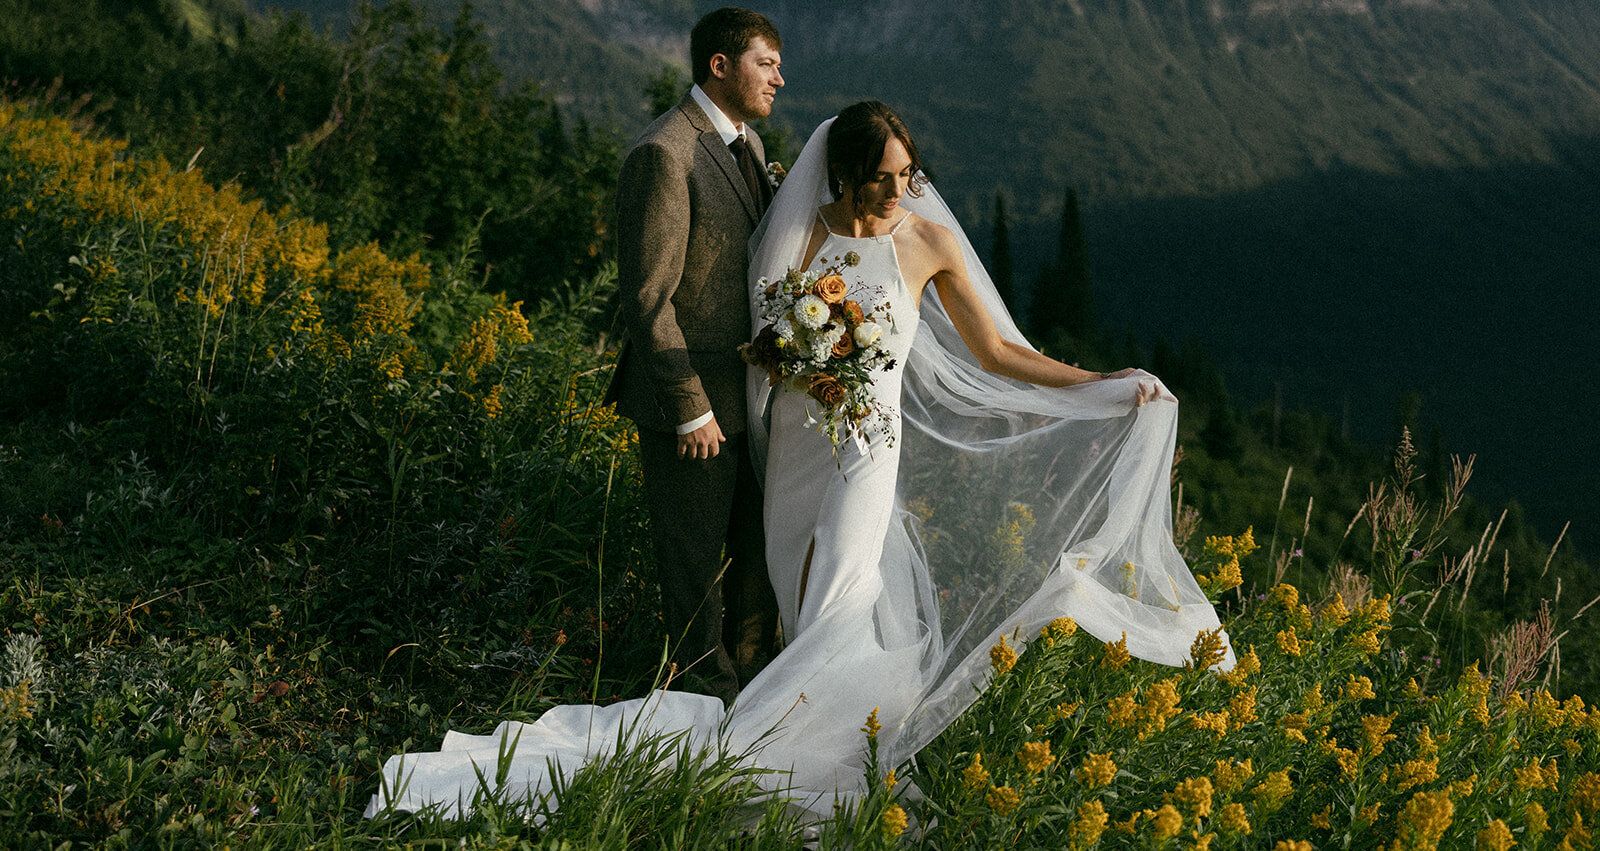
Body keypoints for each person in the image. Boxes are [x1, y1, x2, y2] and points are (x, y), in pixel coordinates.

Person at [367, 101, 1230, 820]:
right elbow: (764, 343)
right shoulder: (803, 236)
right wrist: (807, 362)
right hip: (797, 451)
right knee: (799, 589)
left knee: (844, 596)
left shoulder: (927, 242)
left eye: (907, 173)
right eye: (882, 177)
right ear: (845, 176)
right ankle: (813, 743)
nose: (899, 190)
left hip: (868, 451)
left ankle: (819, 764)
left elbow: (1002, 352)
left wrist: (1101, 382)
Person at [604, 6, 784, 702]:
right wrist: (689, 410)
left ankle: (749, 702)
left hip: (748, 400)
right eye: (766, 63)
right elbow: (650, 299)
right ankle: (697, 716)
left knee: (751, 566)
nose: (779, 78)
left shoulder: (750, 147)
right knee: (692, 574)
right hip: (693, 403)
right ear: (719, 65)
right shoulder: (665, 151)